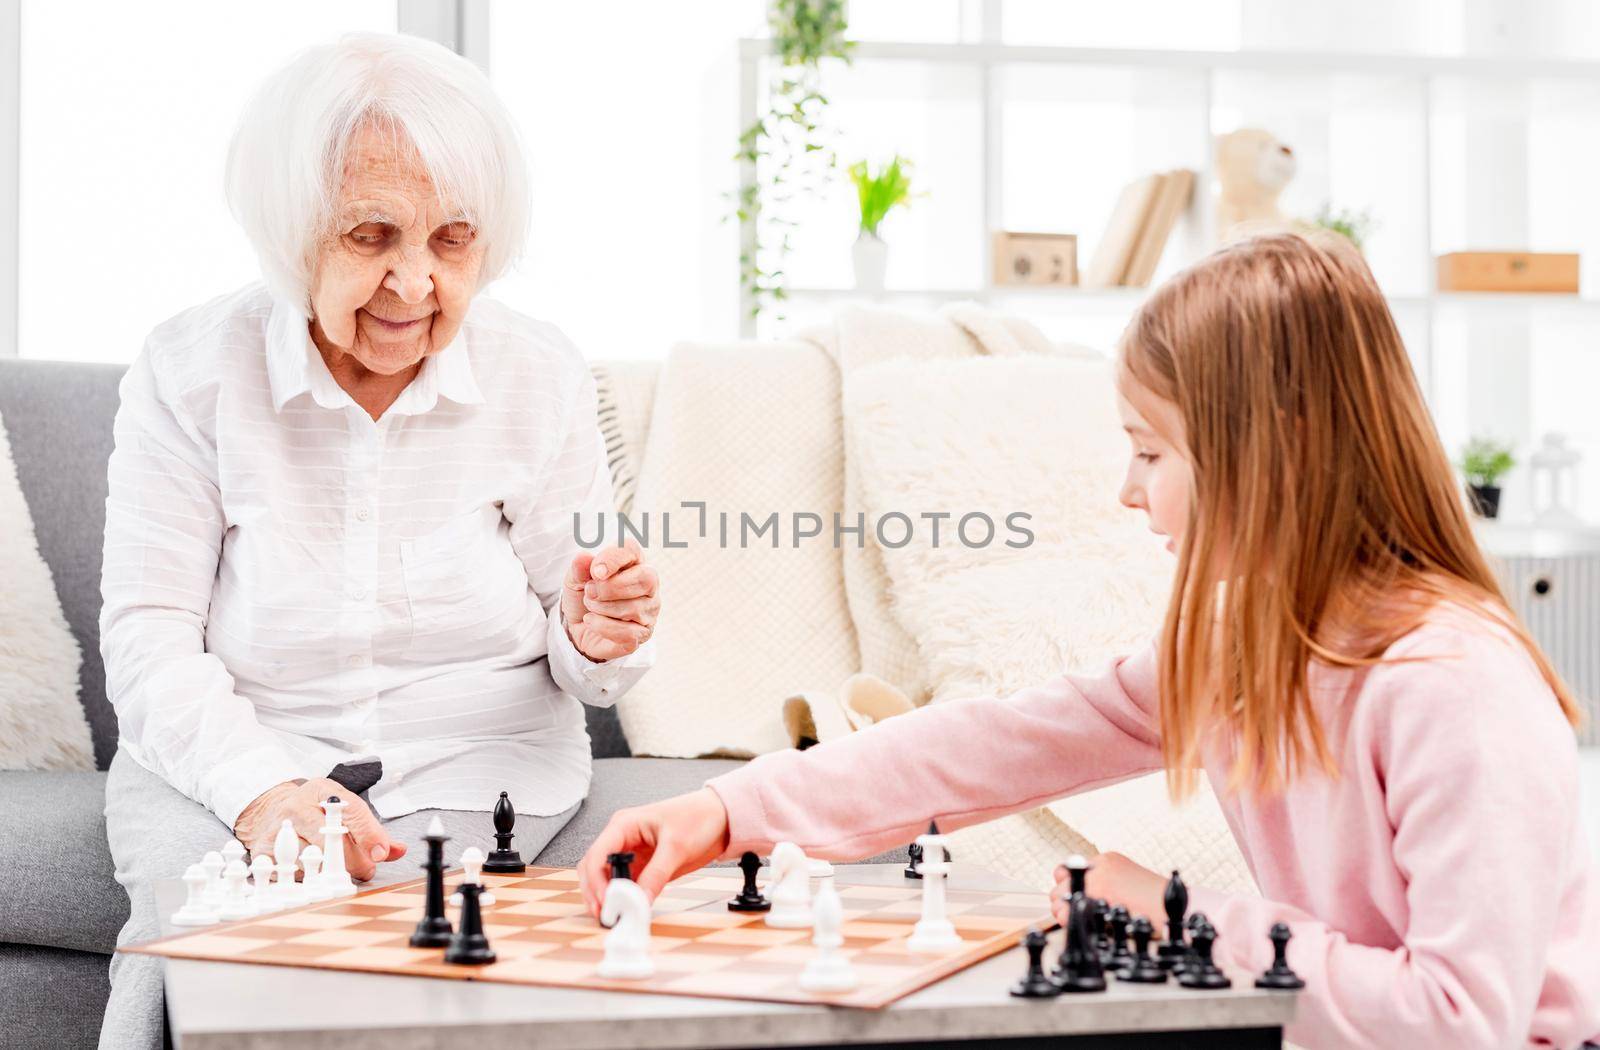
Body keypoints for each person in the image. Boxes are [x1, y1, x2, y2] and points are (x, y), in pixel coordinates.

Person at [579, 232, 1599, 1050]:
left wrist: (1169, 911)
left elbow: (1463, 1022)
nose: (1124, 491)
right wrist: (723, 813)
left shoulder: (1455, 687)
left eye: (1151, 452)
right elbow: (996, 742)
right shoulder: (1248, 643)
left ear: (1277, 450)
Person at [99, 33, 660, 1050]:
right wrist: (265, 791)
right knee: (209, 947)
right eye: (370, 236)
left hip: (474, 759)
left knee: (408, 954)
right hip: (236, 756)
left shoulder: (536, 373)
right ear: (290, 232)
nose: (413, 285)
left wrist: (601, 633)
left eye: (452, 240)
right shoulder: (189, 371)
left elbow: (587, 648)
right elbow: (147, 639)